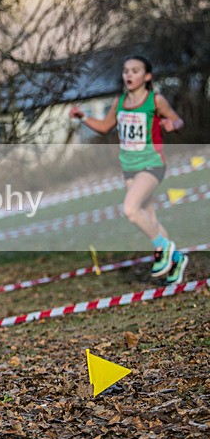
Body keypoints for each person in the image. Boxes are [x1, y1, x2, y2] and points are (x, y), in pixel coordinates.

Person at [70, 55, 188, 284]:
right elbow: (105, 127)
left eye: (135, 71)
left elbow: (177, 119)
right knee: (148, 217)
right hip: (129, 167)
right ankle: (176, 258)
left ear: (147, 76)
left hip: (152, 163)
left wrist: (173, 124)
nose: (129, 75)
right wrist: (83, 116)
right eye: (126, 71)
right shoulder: (120, 101)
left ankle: (164, 247)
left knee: (130, 210)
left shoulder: (155, 100)